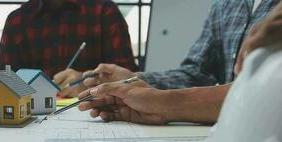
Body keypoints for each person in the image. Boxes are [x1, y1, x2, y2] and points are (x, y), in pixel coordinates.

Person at [78, 0, 282, 125]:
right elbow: (197, 72)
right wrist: (134, 80)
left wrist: (164, 103)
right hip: (226, 141)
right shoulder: (226, 4)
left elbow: (270, 92)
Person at [0, 0, 138, 97]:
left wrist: (89, 85)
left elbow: (129, 81)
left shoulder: (104, 11)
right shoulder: (17, 21)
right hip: (31, 123)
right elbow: (4, 83)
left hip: (93, 117)